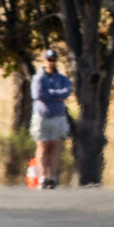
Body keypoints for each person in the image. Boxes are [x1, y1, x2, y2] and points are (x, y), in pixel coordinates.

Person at [30, 48, 72, 189]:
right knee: (42, 147)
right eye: (49, 60)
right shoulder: (39, 78)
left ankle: (52, 177)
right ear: (44, 61)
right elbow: (38, 94)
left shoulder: (62, 78)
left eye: (53, 60)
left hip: (57, 116)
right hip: (42, 116)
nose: (51, 62)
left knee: (54, 147)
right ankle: (42, 177)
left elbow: (66, 92)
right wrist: (56, 94)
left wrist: (51, 93)